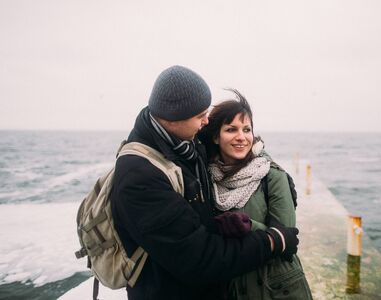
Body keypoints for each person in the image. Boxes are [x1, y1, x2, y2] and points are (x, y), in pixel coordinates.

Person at [110, 65, 300, 300]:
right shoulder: (139, 177)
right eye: (200, 116)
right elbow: (198, 259)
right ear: (173, 118)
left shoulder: (185, 145)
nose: (206, 120)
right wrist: (271, 240)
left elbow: (237, 145)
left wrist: (270, 167)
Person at [198, 89, 313, 300]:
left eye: (247, 129)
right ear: (216, 136)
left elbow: (286, 239)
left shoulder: (271, 175)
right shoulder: (206, 178)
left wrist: (247, 226)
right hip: (232, 287)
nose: (241, 137)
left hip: (277, 288)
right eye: (231, 129)